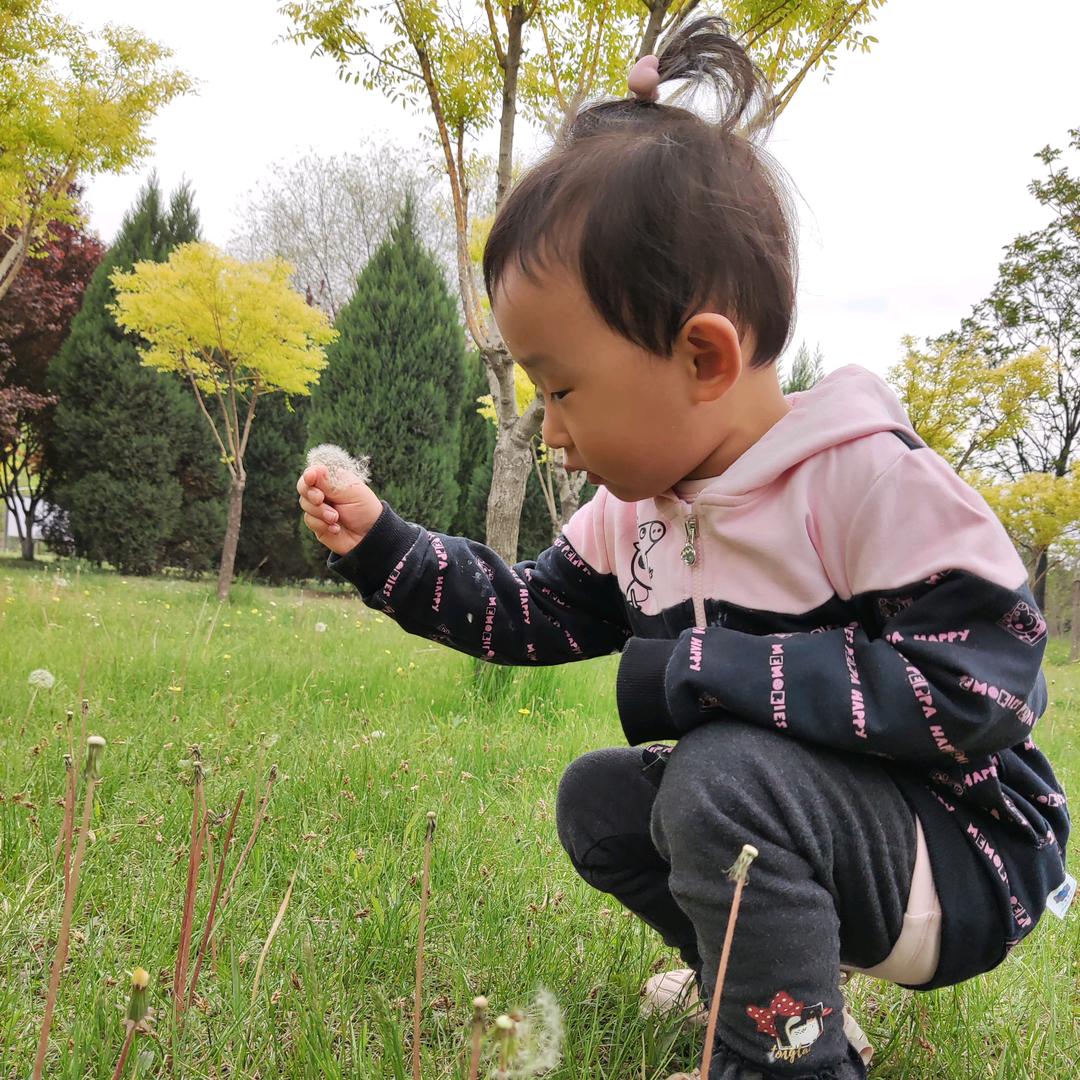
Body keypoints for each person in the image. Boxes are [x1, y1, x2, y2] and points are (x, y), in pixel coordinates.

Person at [296, 16, 1071, 1079]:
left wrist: (709, 667)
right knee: (607, 803)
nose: (552, 427)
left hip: (965, 851)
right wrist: (385, 544)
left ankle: (784, 1061)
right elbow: (526, 611)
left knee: (717, 783)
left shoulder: (861, 479)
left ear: (702, 355)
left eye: (562, 388)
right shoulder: (640, 513)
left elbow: (986, 686)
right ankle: (766, 995)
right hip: (823, 836)